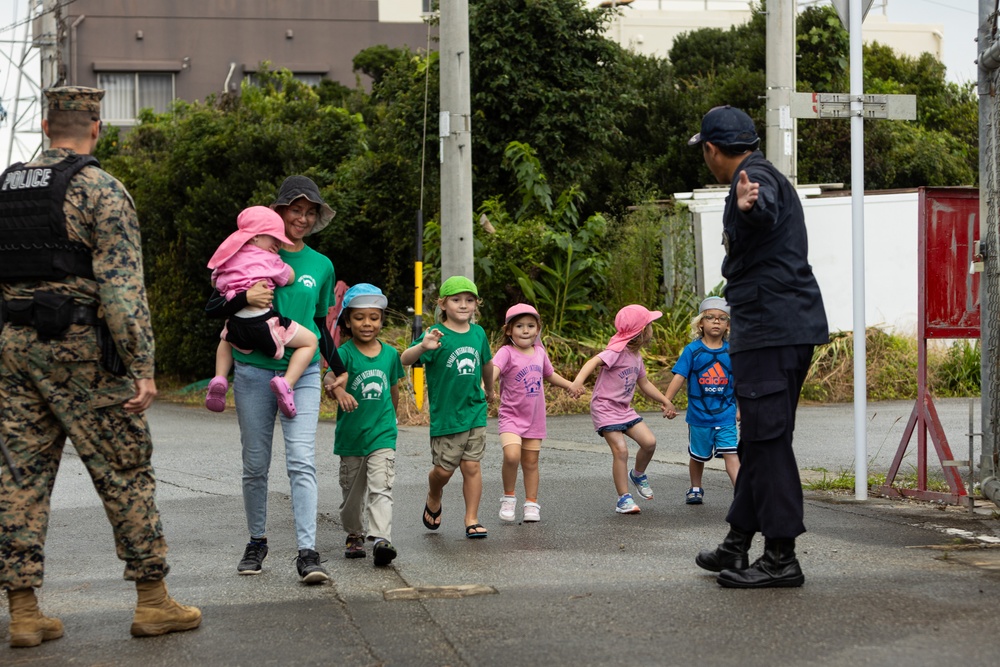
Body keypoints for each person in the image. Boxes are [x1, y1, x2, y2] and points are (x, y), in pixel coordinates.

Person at [0, 86, 200, 648]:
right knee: (124, 470)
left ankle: (23, 613)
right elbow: (121, 288)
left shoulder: (5, 189)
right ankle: (153, 602)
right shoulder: (100, 190)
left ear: (43, 124)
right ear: (96, 127)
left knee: (17, 477)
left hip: (12, 347)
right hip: (81, 349)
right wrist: (142, 365)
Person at [688, 105, 829, 588]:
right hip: (780, 328)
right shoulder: (760, 173)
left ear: (711, 149)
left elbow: (761, 206)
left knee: (767, 445)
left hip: (771, 331)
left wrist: (751, 204)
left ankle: (781, 558)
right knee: (756, 440)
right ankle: (737, 541)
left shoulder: (754, 179)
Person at [206, 175, 347, 583]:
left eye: (309, 212)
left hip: (299, 376)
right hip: (251, 371)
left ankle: (307, 552)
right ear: (278, 211)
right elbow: (215, 304)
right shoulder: (247, 249)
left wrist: (339, 370)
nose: (302, 218)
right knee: (254, 464)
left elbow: (320, 326)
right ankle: (257, 541)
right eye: (295, 210)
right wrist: (244, 299)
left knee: (302, 461)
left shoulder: (321, 265)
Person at [400, 276, 494, 538]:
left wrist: (490, 389)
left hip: (474, 409)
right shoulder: (435, 334)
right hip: (447, 415)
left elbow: (486, 362)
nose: (463, 305)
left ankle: (471, 518)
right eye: (456, 300)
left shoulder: (478, 333)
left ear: (476, 304)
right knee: (443, 470)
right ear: (443, 304)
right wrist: (422, 345)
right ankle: (434, 493)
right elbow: (405, 359)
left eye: (469, 300)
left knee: (472, 466)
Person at [205, 205, 319, 418]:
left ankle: (219, 377)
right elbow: (290, 277)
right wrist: (278, 261)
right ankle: (287, 383)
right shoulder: (269, 260)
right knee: (311, 341)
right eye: (272, 238)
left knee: (225, 338)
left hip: (237, 325)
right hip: (264, 324)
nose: (277, 243)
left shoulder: (228, 259)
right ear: (255, 238)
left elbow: (215, 284)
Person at [328, 283, 404, 567]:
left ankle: (381, 539)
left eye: (374, 317)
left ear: (382, 319)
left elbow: (393, 389)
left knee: (381, 485)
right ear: (347, 320)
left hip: (382, 433)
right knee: (352, 495)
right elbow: (329, 380)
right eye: (359, 317)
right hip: (351, 437)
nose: (367, 323)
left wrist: (392, 419)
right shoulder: (344, 354)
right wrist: (339, 392)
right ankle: (354, 533)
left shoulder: (390, 354)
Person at [570, 305, 672, 515]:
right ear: (642, 331)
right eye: (650, 325)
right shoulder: (616, 351)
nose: (652, 330)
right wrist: (578, 382)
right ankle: (623, 498)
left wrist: (665, 401)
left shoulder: (636, 356)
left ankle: (638, 474)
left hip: (624, 409)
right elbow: (593, 361)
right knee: (621, 450)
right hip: (605, 408)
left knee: (649, 443)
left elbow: (644, 384)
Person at [490, 303, 579, 523]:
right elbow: (494, 369)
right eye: (519, 325)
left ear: (538, 329)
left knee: (531, 463)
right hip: (511, 415)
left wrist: (570, 385)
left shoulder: (539, 352)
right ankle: (509, 497)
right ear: (509, 330)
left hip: (534, 418)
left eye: (531, 325)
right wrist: (487, 385)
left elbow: (550, 374)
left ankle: (531, 503)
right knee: (512, 456)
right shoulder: (506, 352)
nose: (526, 330)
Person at [663, 296, 740, 505]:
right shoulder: (692, 350)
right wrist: (667, 401)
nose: (716, 321)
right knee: (698, 455)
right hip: (699, 415)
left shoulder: (732, 351)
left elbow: (740, 381)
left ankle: (742, 494)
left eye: (722, 318)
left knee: (731, 454)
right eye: (710, 317)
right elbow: (679, 376)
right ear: (700, 323)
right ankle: (695, 487)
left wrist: (742, 407)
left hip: (726, 413)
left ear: (728, 325)